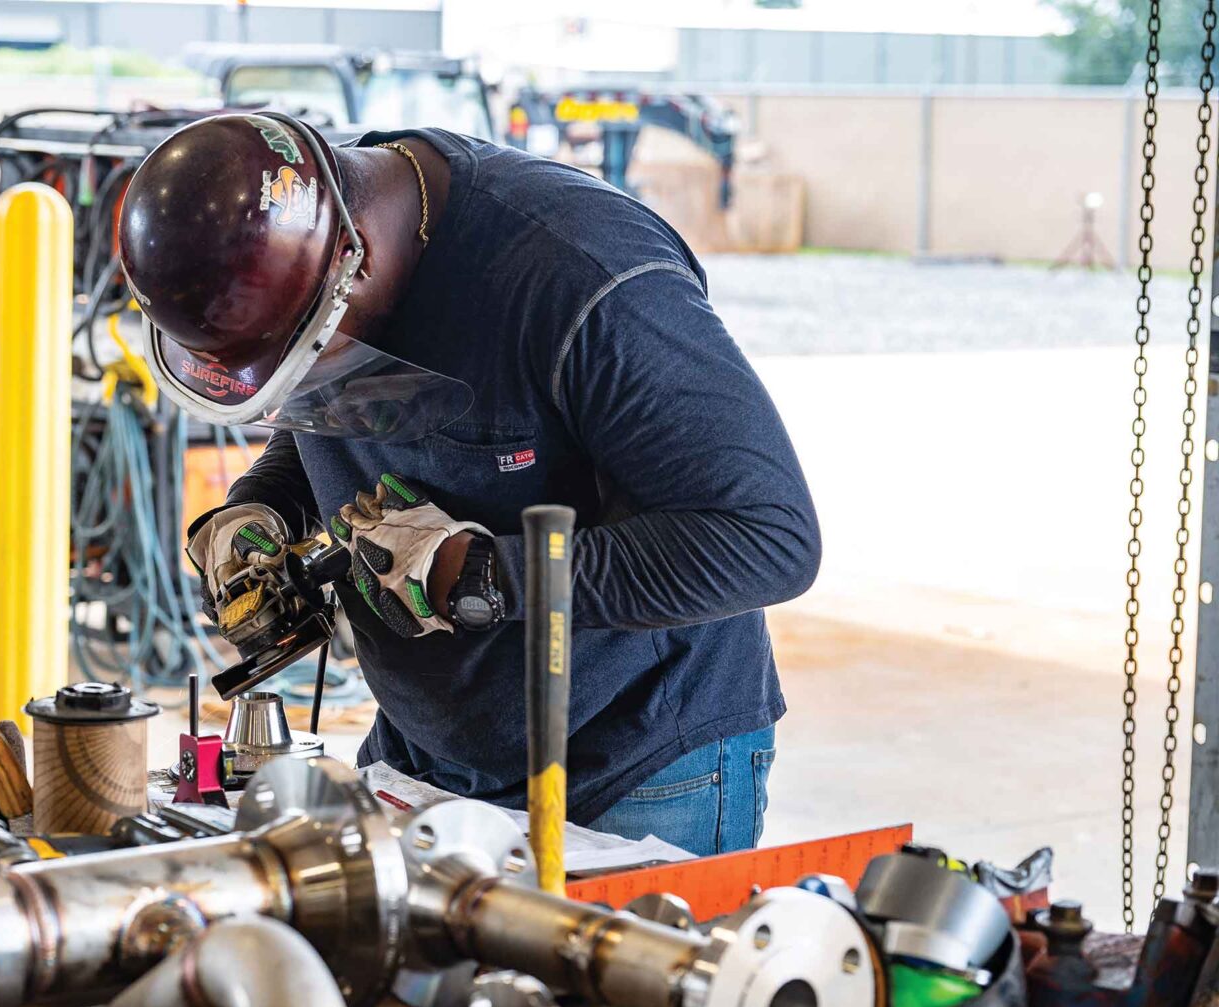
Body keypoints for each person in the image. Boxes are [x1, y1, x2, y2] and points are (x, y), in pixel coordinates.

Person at [117, 112, 818, 854]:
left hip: (631, 760)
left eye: (304, 356)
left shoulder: (589, 279)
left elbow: (768, 536)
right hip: (425, 754)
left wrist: (479, 573)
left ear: (354, 263)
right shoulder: (317, 232)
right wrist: (265, 503)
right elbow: (328, 393)